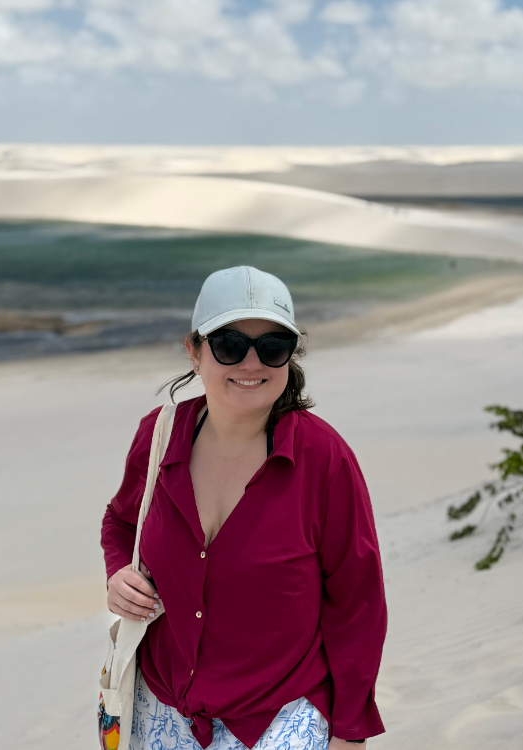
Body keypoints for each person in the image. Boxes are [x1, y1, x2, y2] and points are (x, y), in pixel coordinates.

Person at [101, 266, 387, 750]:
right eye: (229, 344)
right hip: (158, 710)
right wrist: (117, 576)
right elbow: (122, 520)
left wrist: (350, 732)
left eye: (272, 347)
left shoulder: (325, 460)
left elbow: (358, 603)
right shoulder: (159, 434)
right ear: (194, 351)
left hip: (280, 719)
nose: (251, 363)